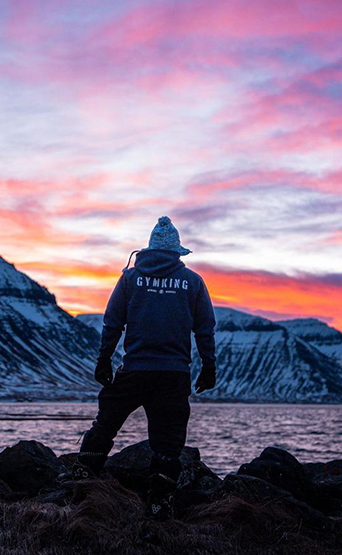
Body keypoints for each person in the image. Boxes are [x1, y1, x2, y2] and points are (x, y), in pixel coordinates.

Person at [71, 216, 217, 520]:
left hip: (135, 369)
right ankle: (159, 502)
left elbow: (112, 322)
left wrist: (103, 360)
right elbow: (204, 328)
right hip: (174, 374)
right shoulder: (192, 282)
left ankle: (81, 483)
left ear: (148, 250)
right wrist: (209, 366)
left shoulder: (130, 279)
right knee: (169, 441)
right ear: (178, 253)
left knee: (106, 422)